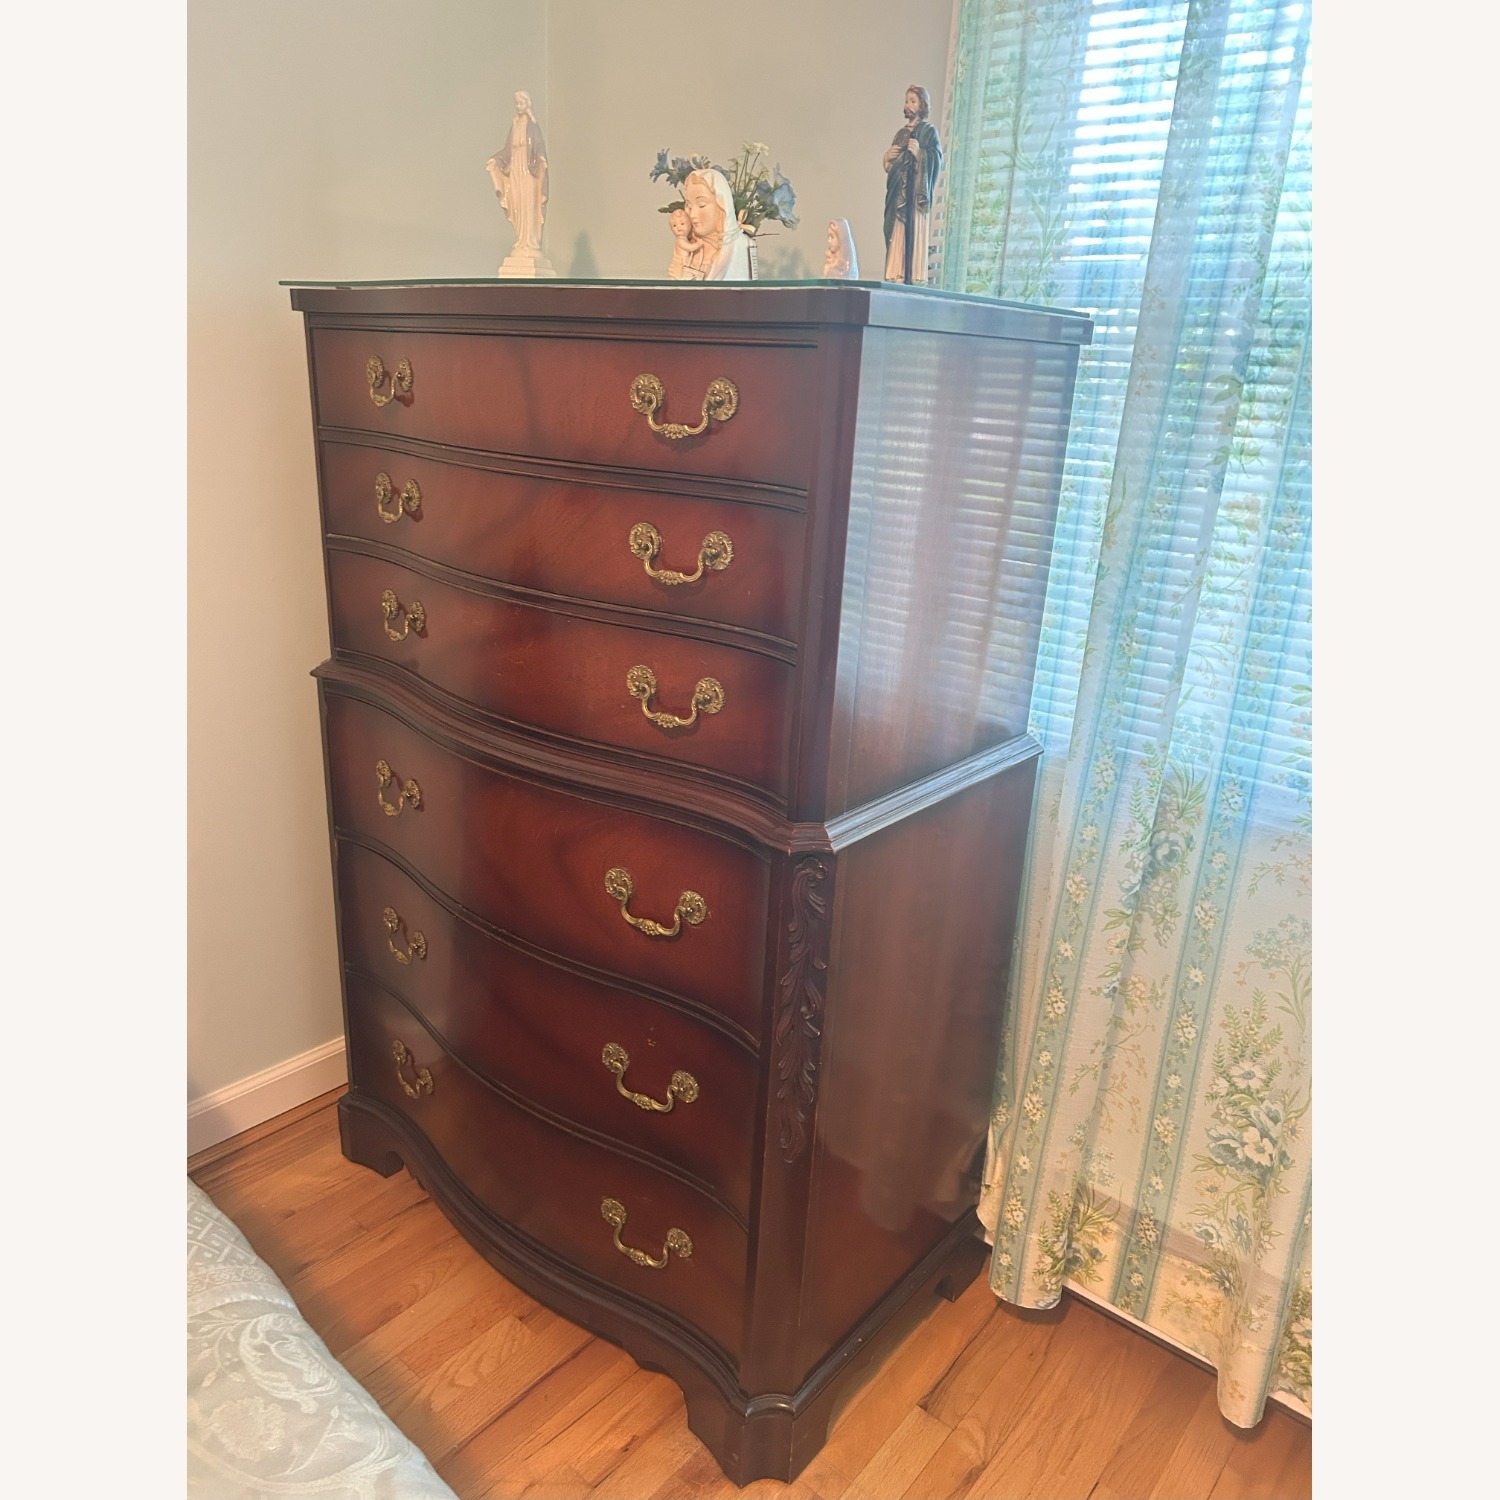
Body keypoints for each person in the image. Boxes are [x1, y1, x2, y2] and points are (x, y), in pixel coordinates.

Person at [882, 85, 942, 284]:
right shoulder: (901, 133)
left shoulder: (928, 132)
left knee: (914, 230)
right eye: (907, 101)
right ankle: (896, 270)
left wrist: (920, 154)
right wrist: (887, 159)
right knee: (898, 230)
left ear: (922, 105)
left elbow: (936, 158)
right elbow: (893, 165)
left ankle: (914, 273)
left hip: (916, 196)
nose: (908, 105)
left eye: (913, 101)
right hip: (899, 194)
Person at [486, 91, 548, 253]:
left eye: (521, 103)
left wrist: (541, 159)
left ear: (527, 104)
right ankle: (521, 240)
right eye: (517, 104)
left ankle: (530, 240)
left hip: (528, 170)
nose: (518, 107)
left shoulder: (532, 125)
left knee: (528, 203)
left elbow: (539, 145)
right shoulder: (515, 123)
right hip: (515, 168)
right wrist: (496, 160)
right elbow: (508, 150)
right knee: (517, 202)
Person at [681, 168, 752, 281]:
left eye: (702, 205)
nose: (692, 214)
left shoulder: (740, 246)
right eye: (689, 207)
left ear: (721, 205)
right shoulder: (687, 247)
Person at [666, 206, 708, 280]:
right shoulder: (680, 240)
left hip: (684, 262)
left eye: (682, 224)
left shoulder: (685, 239)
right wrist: (698, 244)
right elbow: (690, 248)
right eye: (674, 226)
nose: (678, 227)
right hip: (680, 262)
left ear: (689, 225)